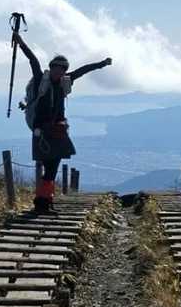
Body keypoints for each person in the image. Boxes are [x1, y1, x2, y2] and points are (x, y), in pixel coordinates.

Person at [15, 36, 111, 213]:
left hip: (57, 130)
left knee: (52, 169)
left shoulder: (66, 81)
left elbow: (83, 70)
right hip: (42, 131)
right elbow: (33, 60)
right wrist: (20, 43)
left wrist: (102, 64)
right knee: (50, 169)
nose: (59, 72)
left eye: (62, 69)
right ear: (51, 68)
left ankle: (44, 202)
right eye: (56, 68)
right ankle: (42, 202)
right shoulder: (40, 79)